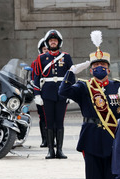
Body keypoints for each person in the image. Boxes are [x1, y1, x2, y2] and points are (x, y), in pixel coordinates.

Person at [58, 31, 119, 179]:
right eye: (94, 66)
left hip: (112, 142)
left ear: (109, 68)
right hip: (92, 141)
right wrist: (72, 72)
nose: (98, 69)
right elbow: (62, 91)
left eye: (101, 65)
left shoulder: (117, 86)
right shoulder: (84, 87)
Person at [33, 29, 73, 159]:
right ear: (47, 42)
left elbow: (71, 76)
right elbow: (36, 78)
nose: (53, 42)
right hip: (47, 94)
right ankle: (50, 150)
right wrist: (37, 95)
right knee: (49, 122)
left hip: (62, 94)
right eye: (51, 41)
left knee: (60, 122)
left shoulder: (66, 57)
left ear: (59, 42)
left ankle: (59, 150)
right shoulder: (41, 58)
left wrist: (71, 93)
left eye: (55, 40)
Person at [32, 38, 49, 148]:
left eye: (47, 49)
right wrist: (36, 94)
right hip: (41, 93)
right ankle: (44, 139)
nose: (46, 51)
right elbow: (34, 79)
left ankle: (54, 140)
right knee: (42, 117)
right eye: (44, 49)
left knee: (54, 118)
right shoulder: (35, 63)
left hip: (52, 93)